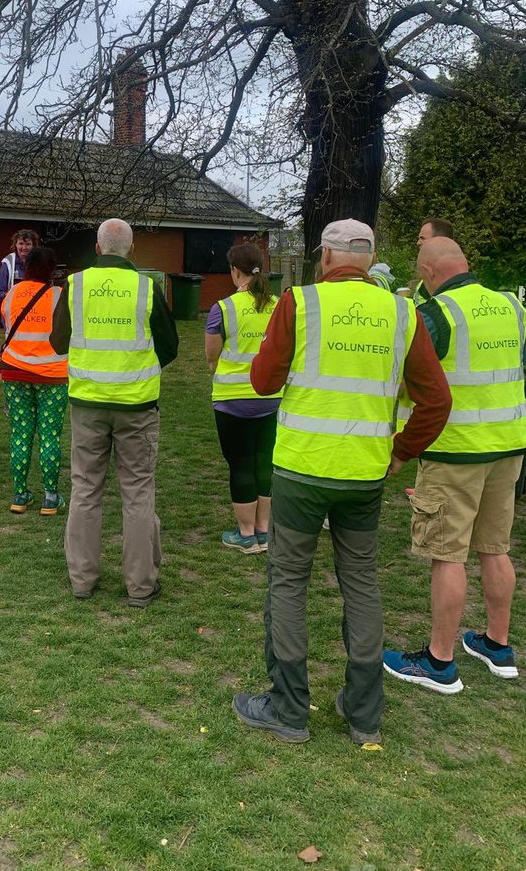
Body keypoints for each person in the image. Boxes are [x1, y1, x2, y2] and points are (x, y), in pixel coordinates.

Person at [232, 219, 451, 745]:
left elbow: (262, 380)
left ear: (325, 258)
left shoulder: (300, 303)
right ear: (370, 258)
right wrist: (400, 451)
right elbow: (436, 399)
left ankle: (288, 707)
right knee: (360, 582)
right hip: (364, 475)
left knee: (288, 582)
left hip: (302, 471)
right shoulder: (403, 312)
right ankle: (363, 712)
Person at [383, 238, 526, 692]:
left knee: (447, 555)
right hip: (508, 446)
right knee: (495, 548)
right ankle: (496, 645)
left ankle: (438, 662)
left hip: (455, 450)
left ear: (427, 273)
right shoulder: (511, 306)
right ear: (466, 264)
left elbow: (410, 378)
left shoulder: (437, 314)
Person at [50, 218, 178, 606]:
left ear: (98, 247)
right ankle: (141, 586)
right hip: (137, 405)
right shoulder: (147, 287)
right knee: (138, 493)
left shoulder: (75, 286)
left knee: (85, 490)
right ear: (131, 249)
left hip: (87, 405)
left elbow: (58, 343)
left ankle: (82, 581)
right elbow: (169, 347)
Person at [205, 244, 280, 554]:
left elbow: (212, 358)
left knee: (240, 465)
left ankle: (246, 534)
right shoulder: (280, 305)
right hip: (272, 398)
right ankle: (263, 531)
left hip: (232, 399)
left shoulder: (222, 308)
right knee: (265, 464)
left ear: (235, 271)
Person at [0, 246, 68, 515]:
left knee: (20, 433)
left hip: (15, 372)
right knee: (49, 435)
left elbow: (6, 323)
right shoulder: (59, 297)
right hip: (52, 376)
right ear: (52, 271)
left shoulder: (12, 294)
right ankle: (50, 496)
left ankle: (20, 494)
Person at [0, 229, 41, 303]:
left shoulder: (41, 263)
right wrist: (12, 296)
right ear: (16, 244)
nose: (24, 248)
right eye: (21, 243)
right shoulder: (8, 263)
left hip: (36, 312)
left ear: (33, 246)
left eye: (28, 244)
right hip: (14, 311)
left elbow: (48, 291)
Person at [413, 217, 455, 304]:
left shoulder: (446, 275)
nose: (418, 243)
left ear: (439, 240)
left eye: (422, 238)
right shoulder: (430, 272)